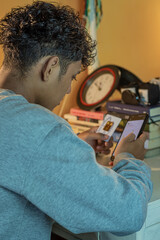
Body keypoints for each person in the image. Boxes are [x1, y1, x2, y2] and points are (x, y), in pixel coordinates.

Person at [0, 1, 152, 240]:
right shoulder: (38, 131)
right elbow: (128, 213)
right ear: (50, 67)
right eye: (71, 77)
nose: (69, 90)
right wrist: (129, 158)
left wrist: (70, 144)